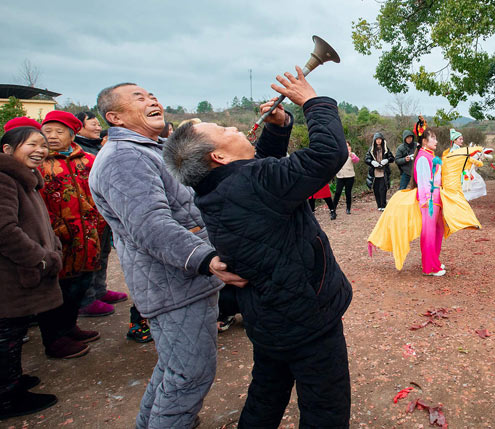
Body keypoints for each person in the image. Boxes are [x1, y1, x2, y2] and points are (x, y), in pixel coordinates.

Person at [162, 68, 352, 429]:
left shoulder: (218, 188)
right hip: (307, 316)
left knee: (267, 394)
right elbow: (327, 154)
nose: (235, 129)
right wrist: (314, 101)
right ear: (217, 156)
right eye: (225, 131)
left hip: (269, 317)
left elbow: (258, 171)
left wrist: (278, 128)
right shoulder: (253, 183)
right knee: (325, 406)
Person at [89, 83, 245, 429]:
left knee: (174, 368)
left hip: (182, 282)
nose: (152, 100)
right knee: (189, 376)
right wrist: (206, 259)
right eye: (138, 98)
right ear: (114, 117)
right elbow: (150, 224)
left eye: (151, 95)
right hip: (172, 286)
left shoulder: (150, 150)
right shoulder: (124, 158)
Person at [0, 127, 63, 420]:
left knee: (15, 331)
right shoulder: (4, 180)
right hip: (10, 278)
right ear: (7, 150)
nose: (40, 149)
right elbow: (5, 231)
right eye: (31, 144)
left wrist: (54, 245)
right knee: (7, 336)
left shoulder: (25, 180)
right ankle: (7, 397)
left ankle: (12, 378)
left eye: (43, 145)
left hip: (24, 274)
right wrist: (41, 259)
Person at [368, 117, 481, 275]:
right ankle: (429, 267)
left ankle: (434, 261)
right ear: (424, 141)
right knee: (429, 233)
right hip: (429, 201)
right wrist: (427, 201)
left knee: (438, 231)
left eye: (435, 137)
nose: (435, 140)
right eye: (432, 138)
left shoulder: (430, 155)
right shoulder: (422, 157)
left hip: (436, 198)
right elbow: (423, 182)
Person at [38, 111, 105, 357]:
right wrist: (54, 228)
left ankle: (69, 327)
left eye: (59, 131)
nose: (53, 137)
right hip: (55, 237)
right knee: (57, 288)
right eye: (48, 132)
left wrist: (99, 222)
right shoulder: (40, 163)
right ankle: (54, 339)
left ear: (72, 134)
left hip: (88, 234)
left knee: (81, 283)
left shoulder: (87, 160)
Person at [73, 111, 131, 319]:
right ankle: (86, 299)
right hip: (85, 210)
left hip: (102, 211)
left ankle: (100, 289)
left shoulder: (98, 146)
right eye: (93, 123)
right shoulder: (78, 150)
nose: (98, 127)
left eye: (99, 124)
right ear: (78, 126)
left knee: (102, 251)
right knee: (87, 254)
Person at [365, 132, 394, 210]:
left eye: (379, 139)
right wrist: (372, 162)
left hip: (383, 172)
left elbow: (392, 158)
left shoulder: (386, 148)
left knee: (383, 189)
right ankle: (379, 206)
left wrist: (386, 160)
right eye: (377, 139)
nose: (378, 141)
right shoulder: (371, 149)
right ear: (374, 140)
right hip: (374, 173)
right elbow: (366, 159)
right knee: (376, 189)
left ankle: (383, 205)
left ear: (382, 140)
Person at [333, 141, 359, 215]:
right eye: (345, 146)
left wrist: (351, 155)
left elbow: (356, 161)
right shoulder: (338, 154)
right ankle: (333, 208)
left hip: (350, 176)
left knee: (348, 193)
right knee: (338, 192)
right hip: (340, 176)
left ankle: (348, 208)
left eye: (348, 146)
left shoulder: (352, 154)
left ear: (350, 147)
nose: (346, 147)